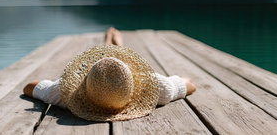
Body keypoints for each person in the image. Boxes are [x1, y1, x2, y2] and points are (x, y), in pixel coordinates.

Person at [23, 28, 196, 121]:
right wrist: (179, 81)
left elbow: (29, 87)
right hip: (116, 75)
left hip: (103, 75)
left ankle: (111, 43)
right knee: (112, 64)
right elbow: (189, 84)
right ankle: (114, 44)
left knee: (111, 64)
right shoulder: (159, 88)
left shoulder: (63, 93)